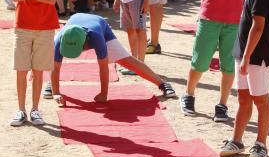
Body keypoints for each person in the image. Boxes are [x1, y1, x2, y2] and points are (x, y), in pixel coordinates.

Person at [220, 0, 269, 157]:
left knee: (260, 100)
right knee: (244, 98)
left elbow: (258, 26)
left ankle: (261, 143)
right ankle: (237, 140)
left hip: (257, 56)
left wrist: (245, 57)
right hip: (245, 54)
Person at [46, 13, 175, 104]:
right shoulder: (60, 39)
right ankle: (52, 84)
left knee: (127, 61)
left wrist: (103, 94)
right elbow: (55, 66)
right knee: (51, 58)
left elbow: (103, 66)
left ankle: (162, 84)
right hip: (75, 25)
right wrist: (56, 93)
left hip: (100, 24)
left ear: (85, 44)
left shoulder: (96, 36)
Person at [10, 0, 60, 127]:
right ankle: (21, 110)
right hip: (22, 26)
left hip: (45, 27)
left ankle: (35, 109)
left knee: (39, 71)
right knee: (21, 70)